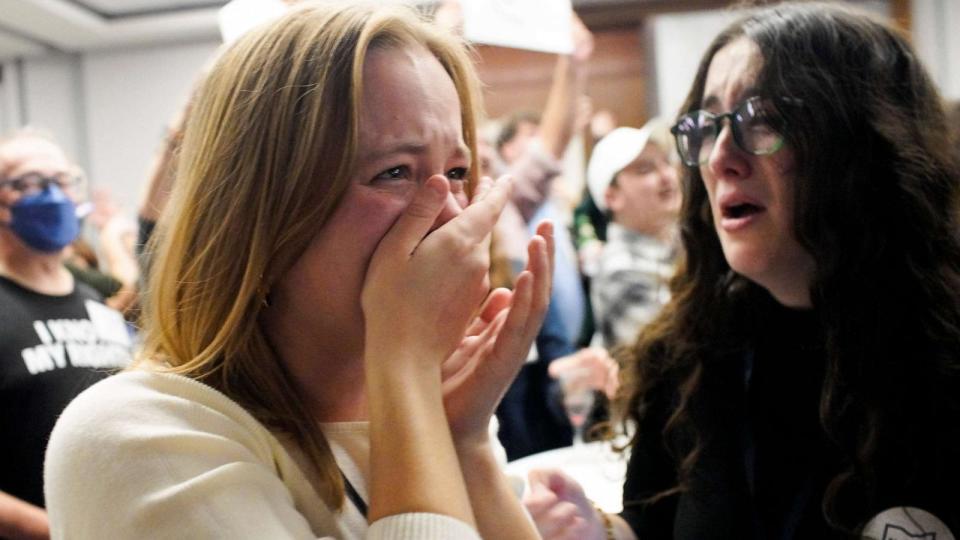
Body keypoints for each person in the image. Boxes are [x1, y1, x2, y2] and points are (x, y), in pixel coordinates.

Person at [44, 3, 553, 539]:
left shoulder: (430, 406)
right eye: (394, 172)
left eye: (456, 172)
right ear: (259, 216)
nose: (451, 215)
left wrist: (463, 440)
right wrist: (406, 368)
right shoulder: (133, 436)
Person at [524, 3, 960, 538]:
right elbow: (653, 521)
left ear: (865, 143)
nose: (720, 156)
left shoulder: (940, 359)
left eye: (765, 120)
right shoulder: (690, 356)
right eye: (708, 126)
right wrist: (599, 529)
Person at [0, 130, 134, 540]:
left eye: (63, 181)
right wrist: (61, 533)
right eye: (30, 183)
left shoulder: (97, 302)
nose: (54, 195)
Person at [585, 118, 680, 350]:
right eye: (645, 169)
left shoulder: (681, 239)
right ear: (612, 197)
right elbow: (672, 361)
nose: (667, 175)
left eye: (666, 162)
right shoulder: (619, 271)